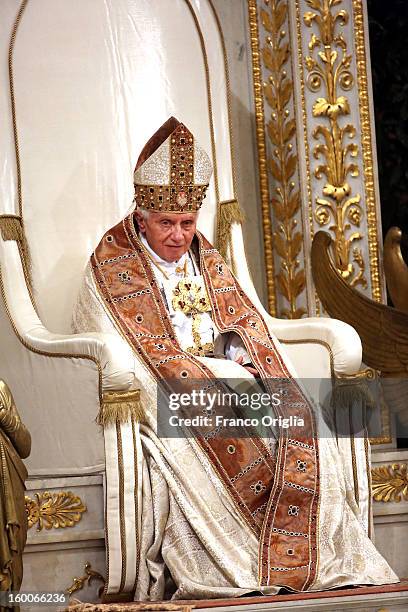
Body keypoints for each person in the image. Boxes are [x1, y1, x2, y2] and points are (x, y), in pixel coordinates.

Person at [72, 117, 398, 601]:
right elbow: (123, 345)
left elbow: (244, 321)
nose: (179, 236)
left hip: (228, 378)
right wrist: (207, 372)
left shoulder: (205, 255)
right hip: (169, 391)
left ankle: (315, 559)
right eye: (166, 223)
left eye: (187, 223)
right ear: (142, 216)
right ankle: (241, 566)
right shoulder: (111, 260)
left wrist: (243, 358)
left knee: (305, 415)